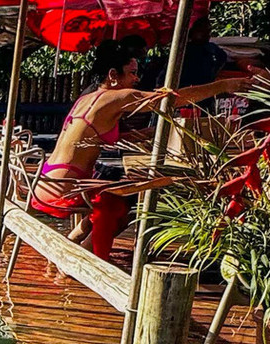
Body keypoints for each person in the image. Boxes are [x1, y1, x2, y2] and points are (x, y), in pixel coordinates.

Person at [31, 39, 253, 261]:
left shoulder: (88, 98)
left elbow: (98, 139)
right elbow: (171, 101)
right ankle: (91, 257)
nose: (137, 78)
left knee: (124, 191)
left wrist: (150, 133)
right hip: (63, 191)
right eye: (132, 73)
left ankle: (72, 243)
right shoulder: (119, 96)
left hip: (46, 183)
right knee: (127, 199)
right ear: (112, 75)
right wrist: (222, 86)